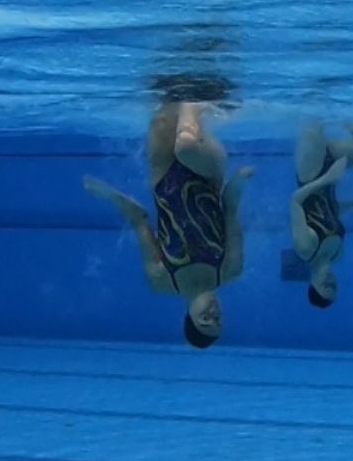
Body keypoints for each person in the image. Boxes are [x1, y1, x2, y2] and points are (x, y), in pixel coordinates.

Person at [84, 101, 252, 349]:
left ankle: (196, 100)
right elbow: (230, 210)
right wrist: (238, 181)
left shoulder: (161, 279)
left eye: (205, 319)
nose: (213, 312)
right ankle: (198, 104)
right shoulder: (230, 269)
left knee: (163, 114)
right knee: (186, 145)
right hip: (208, 174)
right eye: (218, 319)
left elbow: (139, 218)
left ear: (189, 318)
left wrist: (108, 194)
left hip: (163, 177)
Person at [289, 121, 353, 308]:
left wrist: (327, 179)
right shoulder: (337, 254)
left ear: (312, 284)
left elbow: (296, 201)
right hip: (331, 173)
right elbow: (328, 215)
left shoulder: (306, 248)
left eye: (325, 285)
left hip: (310, 173)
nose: (331, 280)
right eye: (334, 285)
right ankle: (345, 115)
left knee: (314, 120)